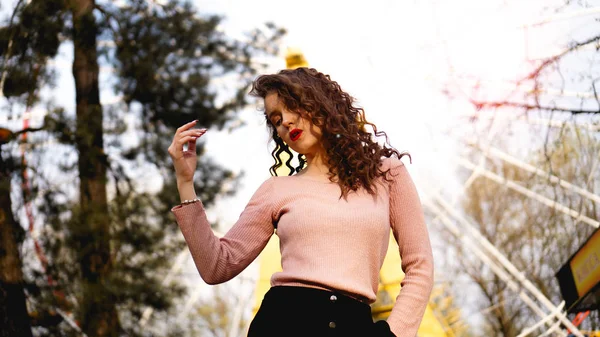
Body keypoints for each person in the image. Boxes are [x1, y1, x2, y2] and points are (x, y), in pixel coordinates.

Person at [168, 67, 434, 337]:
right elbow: (217, 267)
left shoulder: (387, 174)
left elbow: (420, 265)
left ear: (319, 102)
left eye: (291, 107)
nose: (285, 122)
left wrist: (393, 333)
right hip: (282, 324)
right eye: (276, 119)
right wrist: (185, 182)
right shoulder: (277, 189)